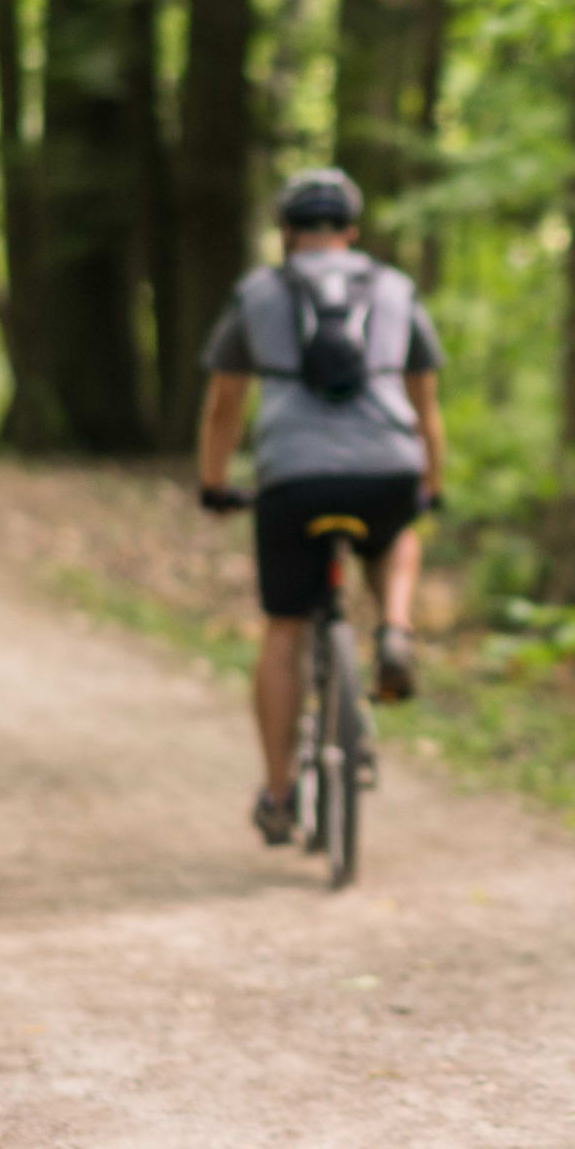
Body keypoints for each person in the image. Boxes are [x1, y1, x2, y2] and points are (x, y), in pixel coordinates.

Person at [194, 168, 448, 846]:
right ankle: (394, 626)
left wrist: (214, 484)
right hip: (385, 467)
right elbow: (425, 407)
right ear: (352, 232)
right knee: (401, 530)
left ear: (286, 233)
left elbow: (224, 406)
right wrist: (433, 483)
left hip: (292, 477)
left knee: (284, 629)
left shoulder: (257, 293)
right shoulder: (395, 289)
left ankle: (279, 795)